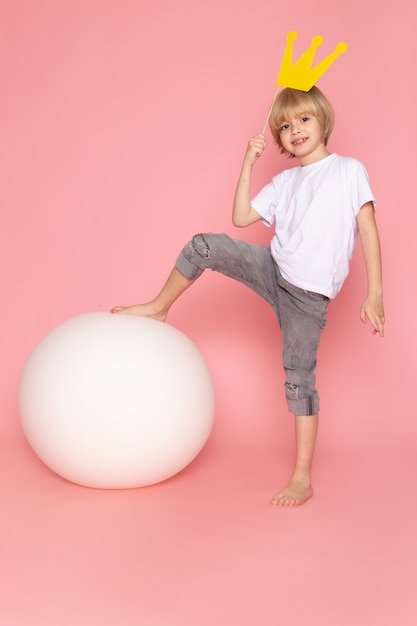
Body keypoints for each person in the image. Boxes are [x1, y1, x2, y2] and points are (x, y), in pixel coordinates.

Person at [112, 86, 385, 507]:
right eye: (285, 125)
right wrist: (247, 162)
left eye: (303, 120)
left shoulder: (349, 171)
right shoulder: (284, 181)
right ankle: (160, 307)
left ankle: (301, 478)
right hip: (273, 268)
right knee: (203, 244)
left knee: (300, 382)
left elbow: (367, 228)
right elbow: (240, 219)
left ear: (323, 120)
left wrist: (375, 293)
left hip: (307, 299)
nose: (295, 130)